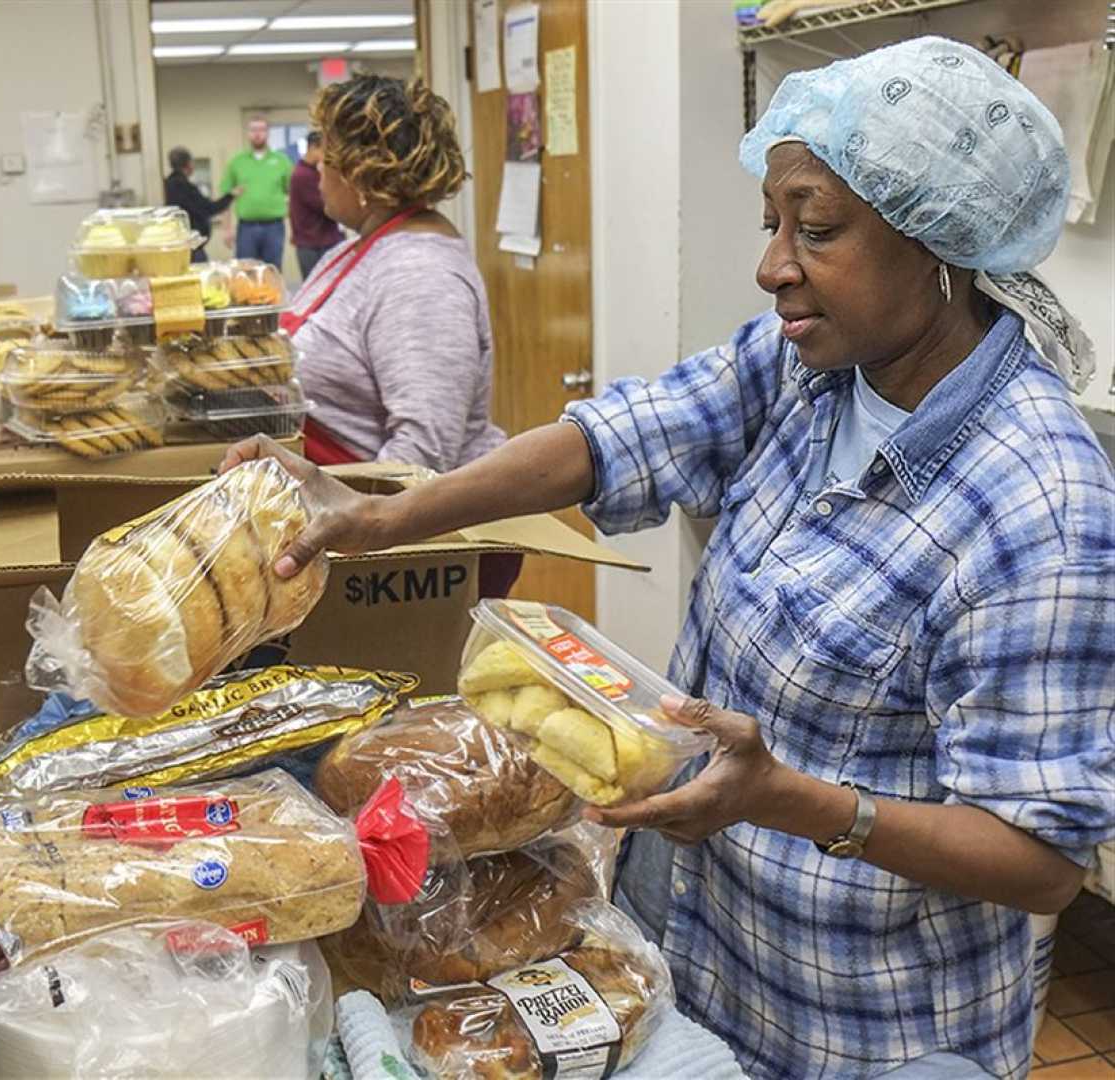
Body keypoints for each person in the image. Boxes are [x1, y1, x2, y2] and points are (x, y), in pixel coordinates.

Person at [225, 38, 1114, 1080]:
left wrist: (785, 797)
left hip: (857, 1019)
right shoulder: (806, 364)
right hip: (688, 953)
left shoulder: (1037, 507)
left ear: (937, 245)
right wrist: (385, 516)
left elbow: (1041, 859)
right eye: (770, 221)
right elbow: (617, 437)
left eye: (815, 229)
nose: (771, 264)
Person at [284, 74, 505, 474]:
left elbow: (423, 454)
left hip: (391, 520)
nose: (318, 167)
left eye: (327, 154)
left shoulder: (421, 276)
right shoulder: (353, 249)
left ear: (360, 172)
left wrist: (343, 519)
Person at [220, 117, 291, 267]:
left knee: (272, 272)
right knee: (245, 272)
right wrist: (226, 229)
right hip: (246, 229)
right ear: (248, 133)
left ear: (267, 133)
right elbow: (226, 197)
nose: (257, 134)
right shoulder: (237, 162)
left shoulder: (282, 161)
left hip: (274, 228)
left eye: (261, 130)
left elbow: (295, 194)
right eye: (253, 130)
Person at [163, 145, 236, 263]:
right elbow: (209, 208)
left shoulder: (166, 185)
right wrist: (231, 195)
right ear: (189, 164)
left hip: (177, 246)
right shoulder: (184, 187)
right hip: (191, 248)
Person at [288, 131, 343, 279]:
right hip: (311, 243)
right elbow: (325, 206)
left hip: (325, 239)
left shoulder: (315, 172)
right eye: (325, 150)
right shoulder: (302, 175)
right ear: (313, 148)